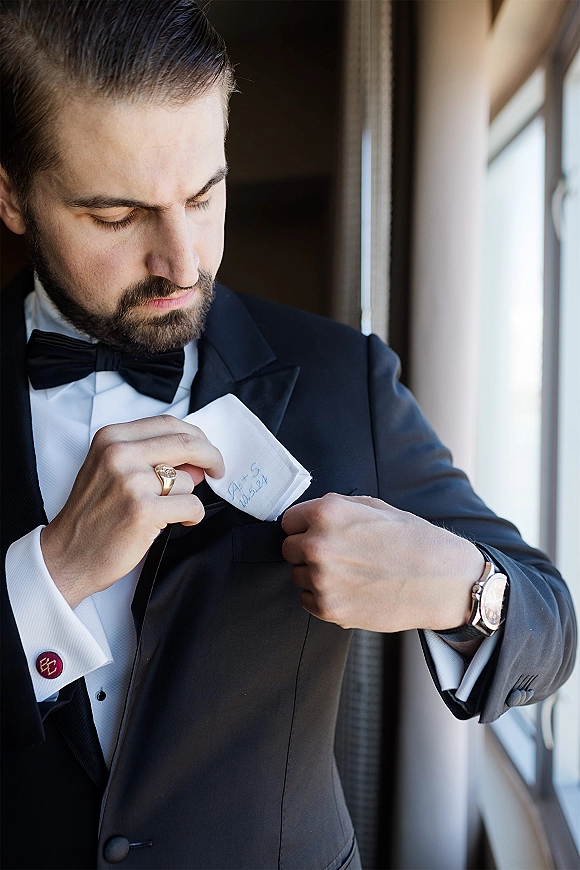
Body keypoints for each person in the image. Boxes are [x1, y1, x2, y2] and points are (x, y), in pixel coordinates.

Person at [0, 2, 575, 869]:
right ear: (11, 194)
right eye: (117, 217)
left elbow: (552, 626)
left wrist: (459, 585)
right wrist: (52, 575)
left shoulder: (346, 377)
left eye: (205, 193)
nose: (184, 261)